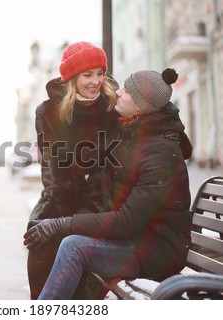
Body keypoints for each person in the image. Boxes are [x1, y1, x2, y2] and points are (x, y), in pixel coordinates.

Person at [23, 68, 193, 299]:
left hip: (156, 250)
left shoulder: (159, 154)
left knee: (74, 246)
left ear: (142, 106)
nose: (118, 93)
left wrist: (62, 224)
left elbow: (125, 222)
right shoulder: (136, 134)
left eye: (127, 91)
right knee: (61, 242)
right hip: (138, 238)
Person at [27, 41, 121, 300]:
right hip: (61, 199)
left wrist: (82, 217)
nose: (95, 81)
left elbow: (109, 170)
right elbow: (54, 173)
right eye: (87, 75)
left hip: (100, 206)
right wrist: (56, 221)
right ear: (71, 78)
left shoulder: (113, 108)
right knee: (42, 245)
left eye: (100, 73)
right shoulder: (48, 112)